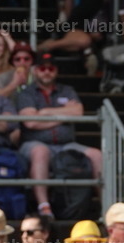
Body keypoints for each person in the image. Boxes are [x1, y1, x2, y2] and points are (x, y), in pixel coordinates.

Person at [15, 53, 102, 223]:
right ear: (35, 70)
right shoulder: (26, 93)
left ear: (56, 71)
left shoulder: (67, 90)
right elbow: (30, 122)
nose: (47, 72)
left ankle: (106, 205)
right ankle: (44, 206)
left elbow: (78, 112)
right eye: (42, 68)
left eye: (51, 68)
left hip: (66, 144)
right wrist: (63, 115)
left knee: (96, 155)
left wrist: (45, 112)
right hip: (34, 143)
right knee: (40, 152)